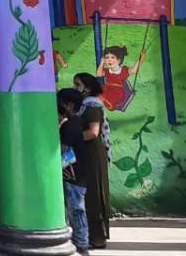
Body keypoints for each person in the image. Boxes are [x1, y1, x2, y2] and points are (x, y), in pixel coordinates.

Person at [68, 74, 110, 249]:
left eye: (78, 85)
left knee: (93, 193)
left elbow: (93, 132)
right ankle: (88, 234)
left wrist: (72, 138)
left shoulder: (92, 106)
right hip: (85, 154)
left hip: (92, 155)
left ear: (89, 88)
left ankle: (98, 236)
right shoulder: (83, 107)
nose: (76, 88)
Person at [58, 88, 90, 255]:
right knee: (75, 209)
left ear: (69, 105)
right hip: (78, 173)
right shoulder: (76, 122)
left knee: (76, 209)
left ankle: (81, 244)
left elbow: (63, 149)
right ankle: (80, 241)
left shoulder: (70, 126)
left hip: (73, 175)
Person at [95, 45, 146, 112]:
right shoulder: (107, 71)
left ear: (119, 60)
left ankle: (109, 104)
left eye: (112, 57)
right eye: (107, 58)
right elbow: (98, 74)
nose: (109, 60)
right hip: (108, 88)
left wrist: (141, 59)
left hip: (117, 91)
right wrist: (102, 63)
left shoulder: (123, 71)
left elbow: (134, 70)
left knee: (108, 97)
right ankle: (104, 101)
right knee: (98, 92)